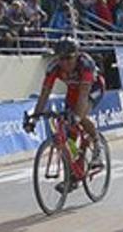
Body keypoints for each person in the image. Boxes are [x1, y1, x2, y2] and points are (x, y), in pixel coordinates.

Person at [24, 37, 107, 186]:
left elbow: (83, 96)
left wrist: (76, 116)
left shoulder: (85, 64)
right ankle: (73, 176)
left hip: (92, 88)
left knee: (79, 117)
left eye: (69, 58)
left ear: (76, 55)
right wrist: (35, 118)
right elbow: (44, 94)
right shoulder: (53, 68)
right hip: (73, 91)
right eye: (61, 59)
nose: (65, 63)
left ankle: (97, 143)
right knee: (68, 138)